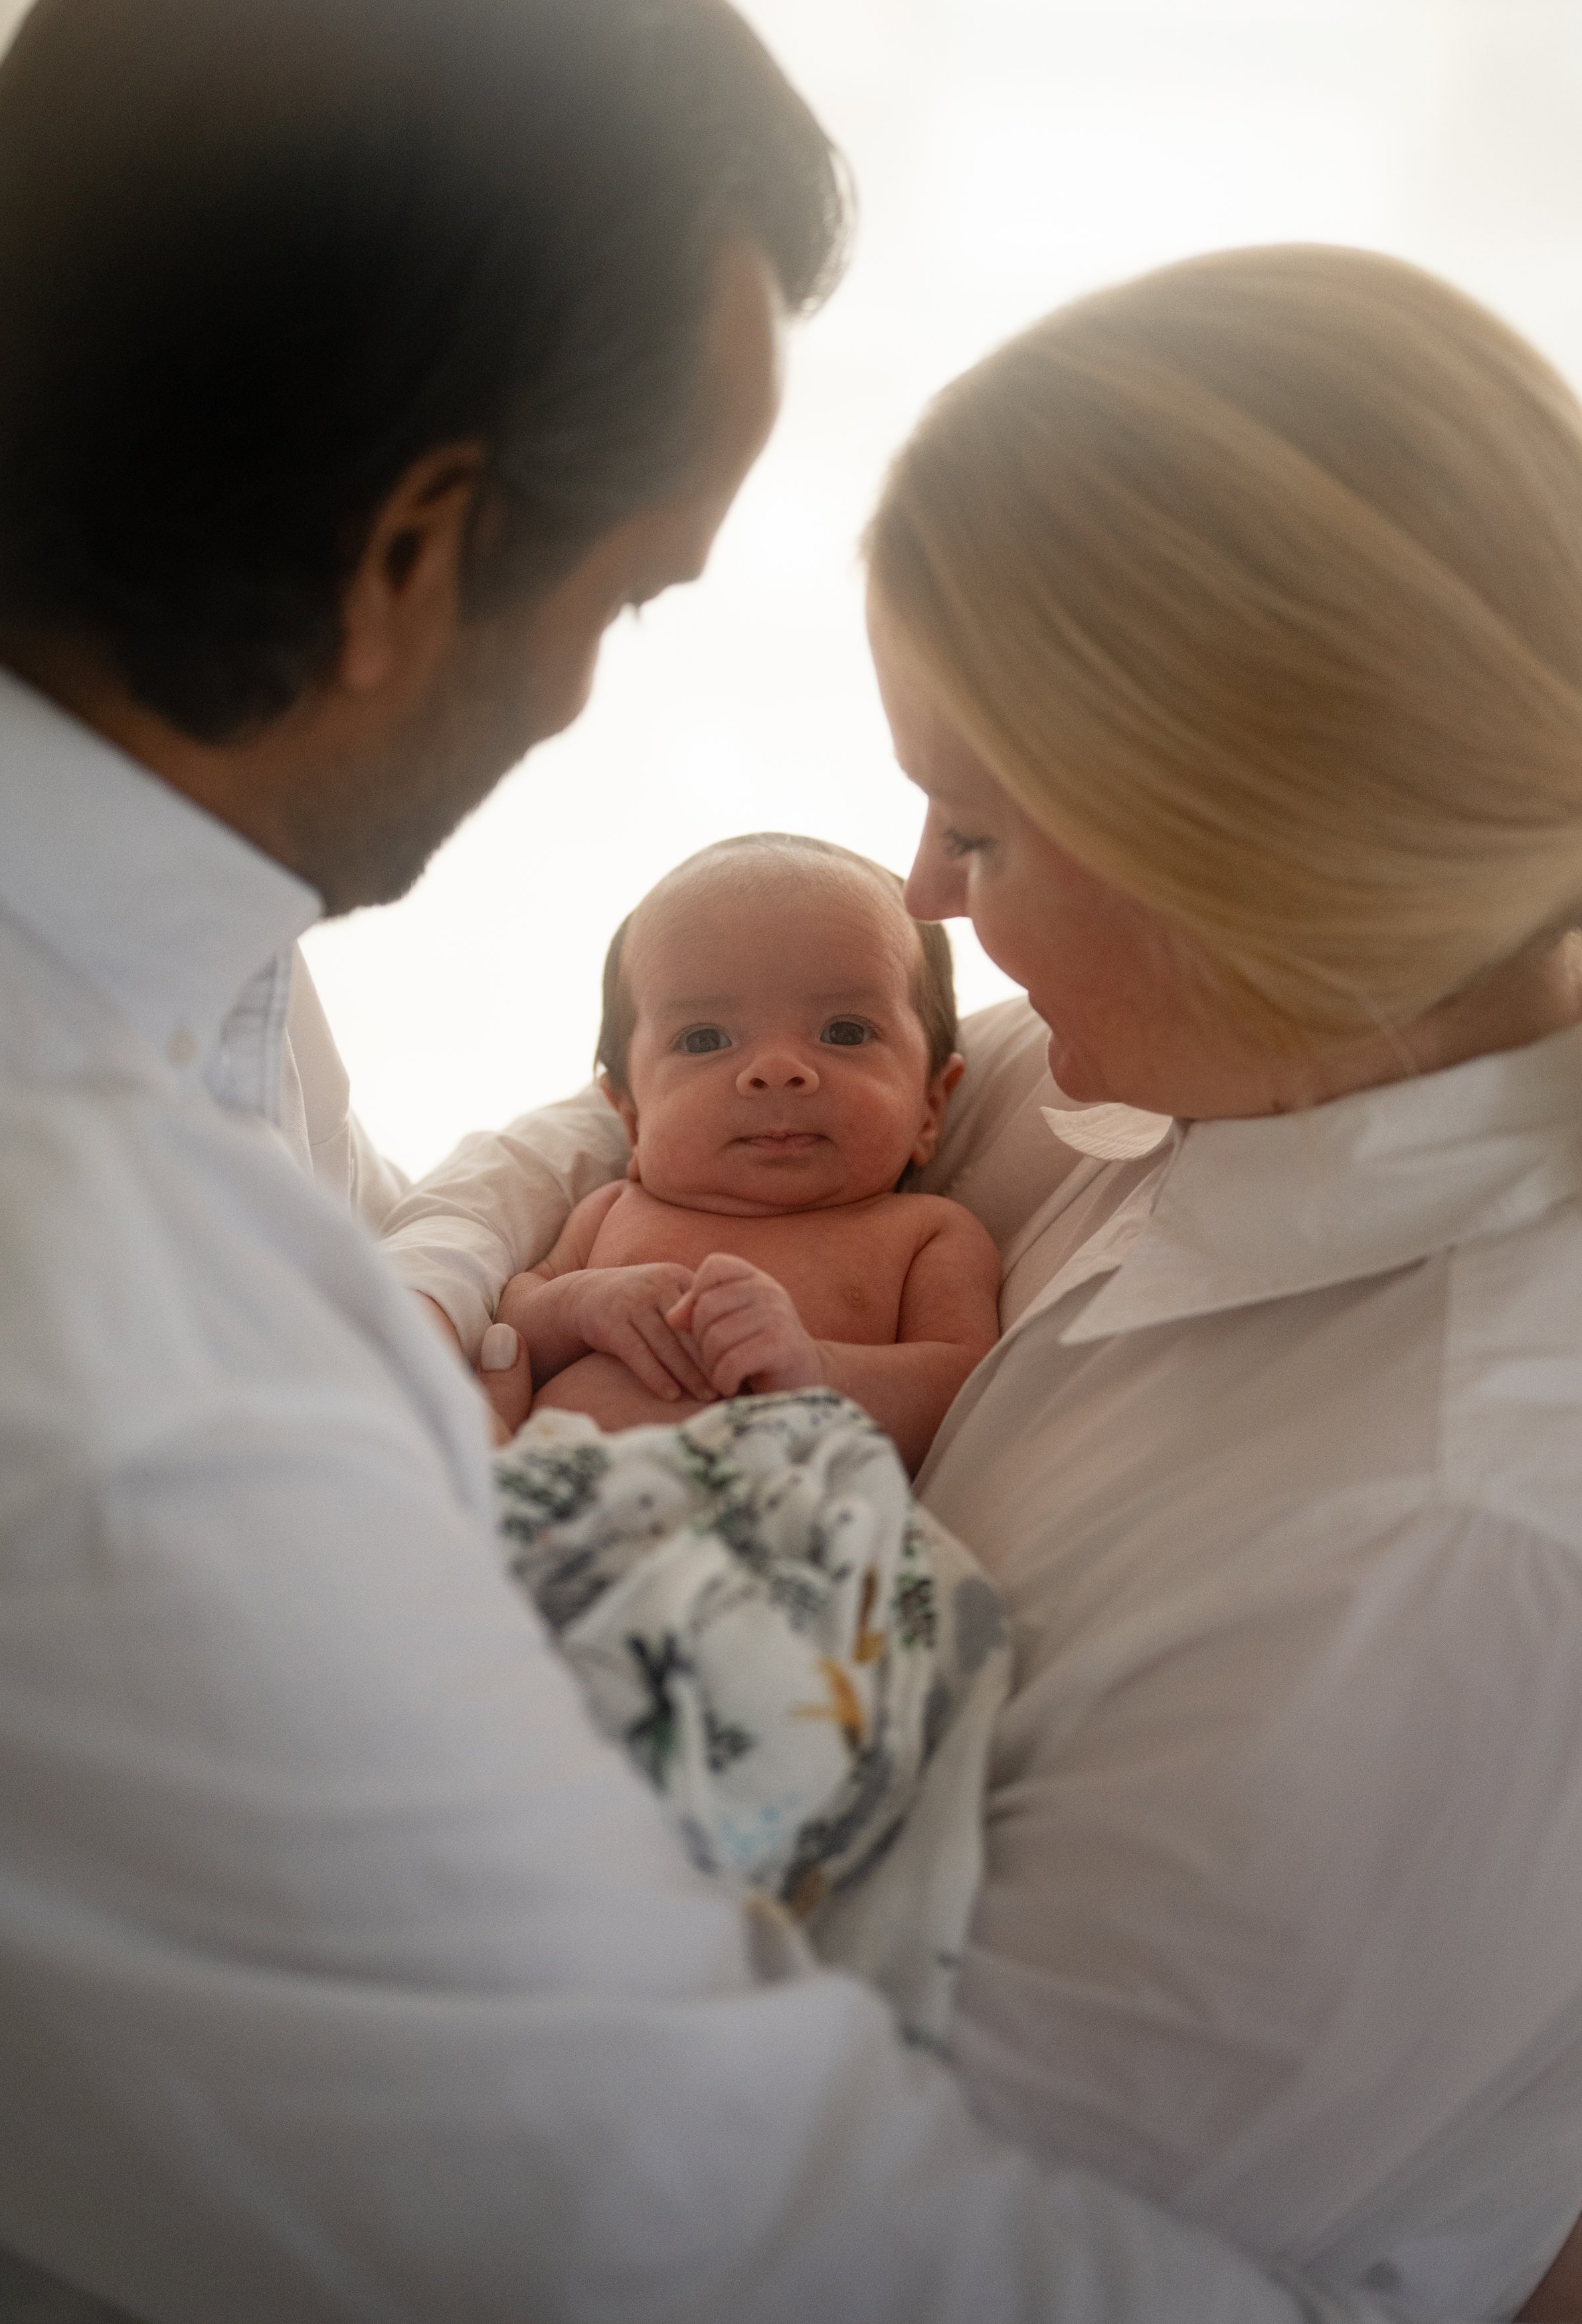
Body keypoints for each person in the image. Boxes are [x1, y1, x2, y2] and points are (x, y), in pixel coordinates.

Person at [0, 3, 1419, 2319]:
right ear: (415, 550)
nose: (584, 698)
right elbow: (716, 2229)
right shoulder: (80, 1305)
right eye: (621, 598)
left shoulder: (134, 983)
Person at [381, 242, 1582, 2323]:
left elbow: (915, 2227)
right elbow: (628, 1107)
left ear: (1243, 859)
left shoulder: (1431, 1543)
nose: (922, 893)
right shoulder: (1167, 1051)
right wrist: (442, 1271)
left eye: (973, 827)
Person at [501, 832, 1000, 1467]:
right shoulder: (608, 1211)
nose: (775, 1069)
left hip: (785, 1528)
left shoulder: (926, 1233)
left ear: (931, 1107)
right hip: (553, 1506)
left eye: (844, 1032)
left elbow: (968, 1388)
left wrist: (814, 1367)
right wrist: (579, 1306)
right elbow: (511, 1323)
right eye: (705, 1038)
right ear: (630, 1117)